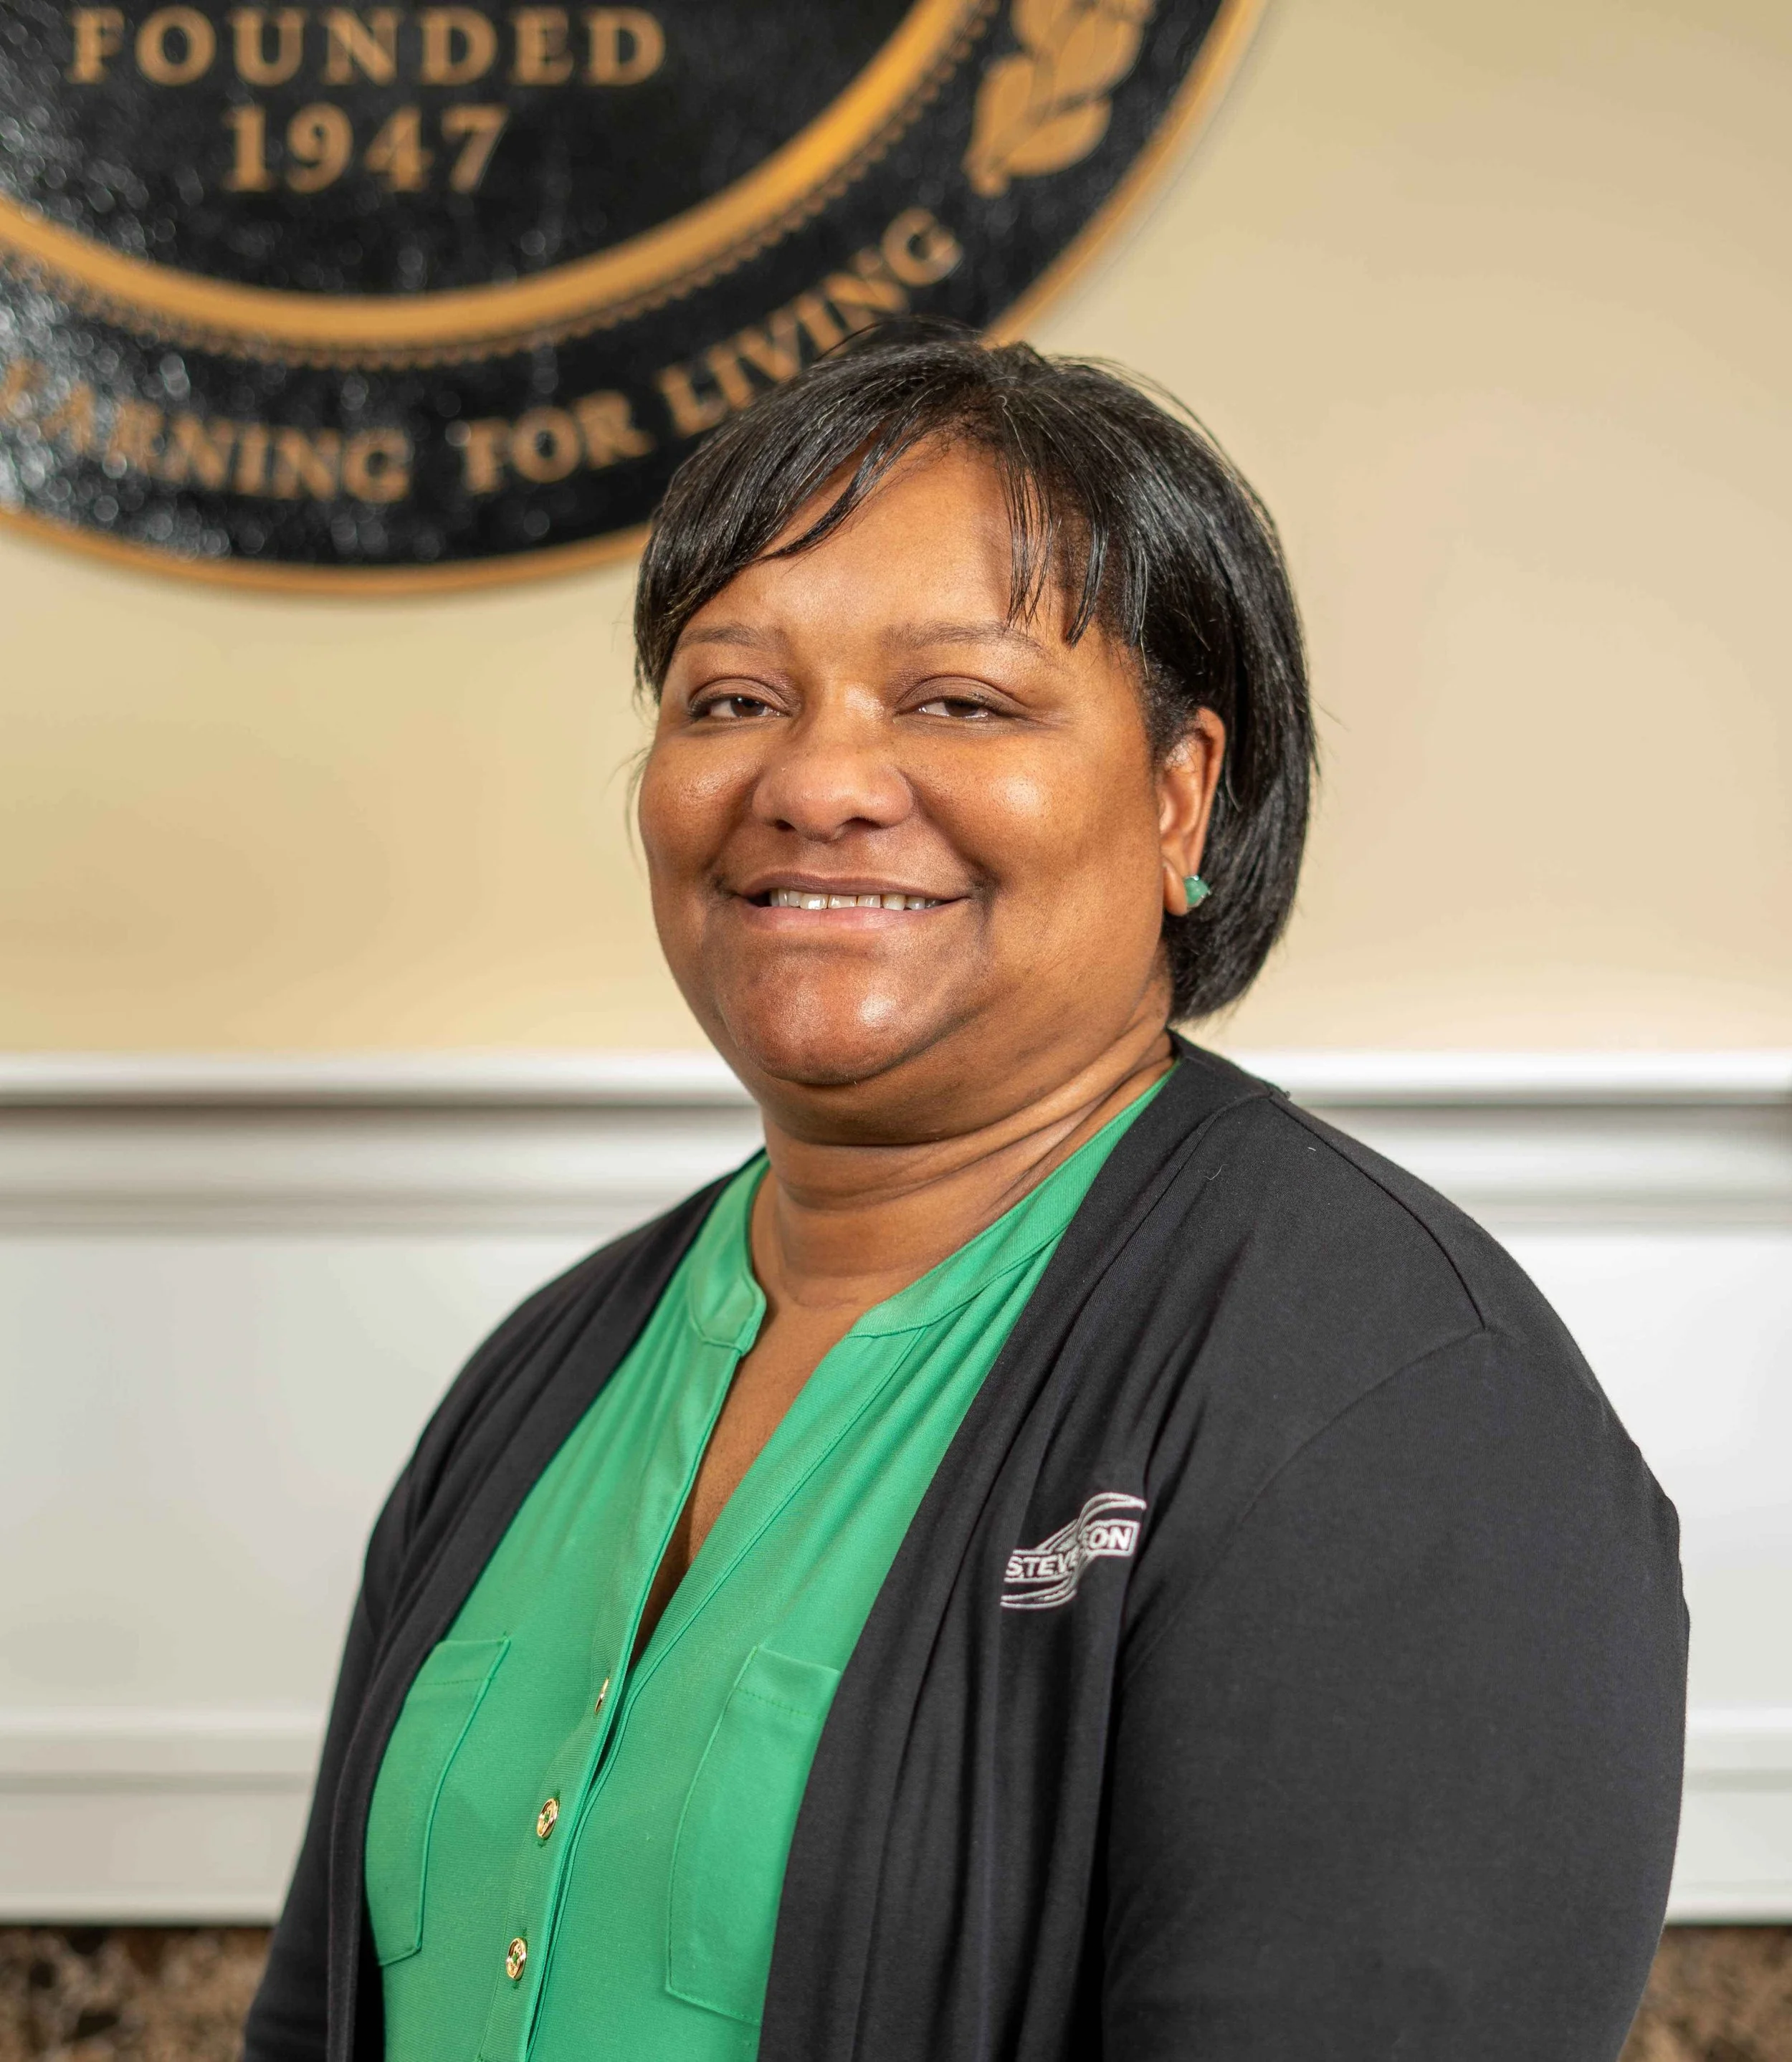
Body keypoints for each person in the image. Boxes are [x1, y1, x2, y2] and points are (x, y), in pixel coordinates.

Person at [244, 323, 1686, 2062]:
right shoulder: (541, 1378)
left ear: (1179, 799)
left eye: (958, 702)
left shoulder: (1397, 1397)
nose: (815, 784)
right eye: (732, 699)